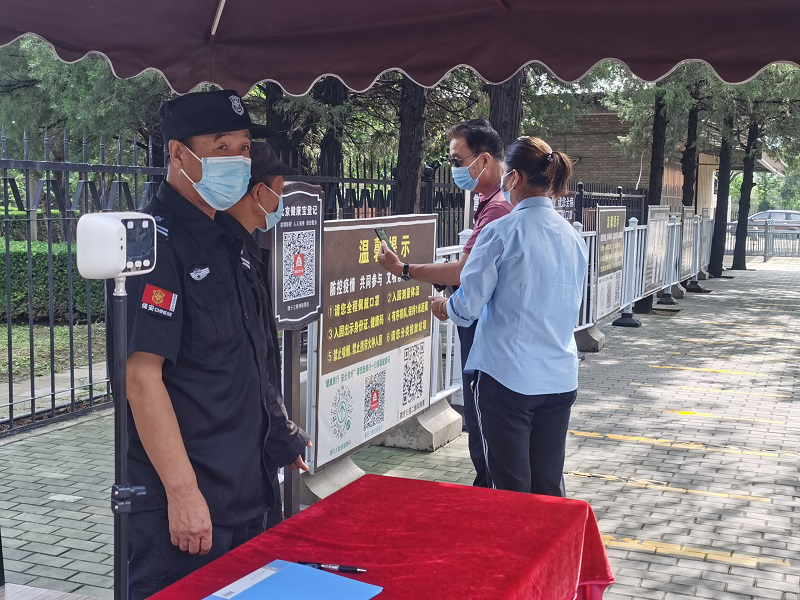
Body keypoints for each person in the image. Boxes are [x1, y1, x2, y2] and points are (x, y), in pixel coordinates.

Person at [111, 90, 304, 599]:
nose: (237, 161)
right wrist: (183, 494)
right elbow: (141, 380)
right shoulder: (155, 246)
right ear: (178, 154)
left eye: (243, 149)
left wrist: (279, 436)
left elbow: (252, 358)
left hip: (247, 489)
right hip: (189, 508)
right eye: (221, 148)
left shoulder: (230, 240)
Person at [430, 136, 588, 497]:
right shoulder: (572, 237)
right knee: (548, 488)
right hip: (559, 377)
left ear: (514, 177)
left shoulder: (501, 233)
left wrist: (444, 306)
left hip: (506, 379)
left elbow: (467, 306)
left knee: (508, 491)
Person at [377, 119, 510, 488]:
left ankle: (489, 498)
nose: (453, 169)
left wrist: (403, 269)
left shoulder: (499, 207)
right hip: (500, 340)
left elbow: (465, 271)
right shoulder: (493, 202)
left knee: (487, 436)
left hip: (487, 337)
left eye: (457, 160)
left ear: (484, 159)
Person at [221, 141, 313, 527]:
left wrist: (280, 432)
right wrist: (280, 430)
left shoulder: (245, 252)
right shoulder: (224, 256)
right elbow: (250, 363)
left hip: (250, 450)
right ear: (259, 192)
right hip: (229, 459)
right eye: (279, 190)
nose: (281, 202)